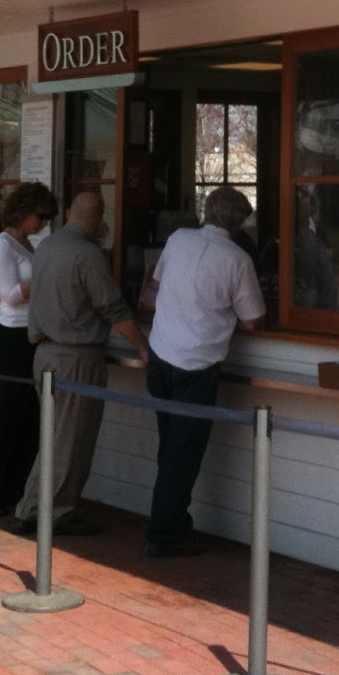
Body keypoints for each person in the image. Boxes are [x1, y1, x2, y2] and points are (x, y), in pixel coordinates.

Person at [14, 190, 149, 537]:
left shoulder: (46, 247)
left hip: (44, 352)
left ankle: (32, 506)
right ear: (99, 218)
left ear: (71, 212)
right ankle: (53, 512)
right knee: (71, 440)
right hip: (76, 356)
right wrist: (142, 346)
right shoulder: (88, 255)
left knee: (55, 437)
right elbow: (113, 309)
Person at [144, 185, 265, 557]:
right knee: (182, 455)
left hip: (160, 356)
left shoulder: (179, 239)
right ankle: (164, 534)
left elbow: (159, 282)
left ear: (207, 211)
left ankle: (173, 520)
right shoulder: (237, 259)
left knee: (170, 449)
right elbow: (253, 321)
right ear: (240, 222)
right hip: (196, 367)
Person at [0, 183, 59, 516]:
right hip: (12, 335)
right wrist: (46, 276)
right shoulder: (2, 246)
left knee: (30, 417)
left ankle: (12, 487)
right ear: (23, 212)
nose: (44, 223)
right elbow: (9, 294)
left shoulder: (28, 245)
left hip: (32, 335)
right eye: (40, 216)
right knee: (8, 412)